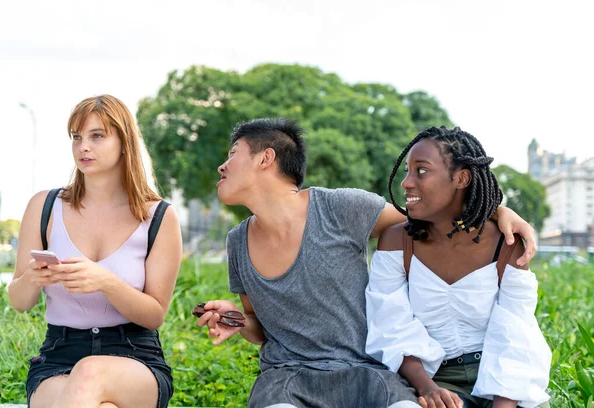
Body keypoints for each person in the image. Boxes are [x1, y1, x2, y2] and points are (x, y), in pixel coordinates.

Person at [196, 118, 537, 408]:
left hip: (367, 374)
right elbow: (259, 327)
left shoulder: (341, 208)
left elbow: (429, 212)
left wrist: (497, 210)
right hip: (288, 379)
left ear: (265, 158)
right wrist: (240, 321)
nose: (221, 166)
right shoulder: (237, 243)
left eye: (232, 154)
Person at [8, 95, 182, 408]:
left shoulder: (159, 217)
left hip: (135, 357)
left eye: (97, 136)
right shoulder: (44, 206)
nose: (83, 147)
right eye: (77, 137)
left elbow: (154, 315)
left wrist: (106, 281)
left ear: (124, 142)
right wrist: (32, 278)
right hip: (59, 358)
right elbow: (20, 302)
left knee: (89, 373)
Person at [365, 126, 551, 408]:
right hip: (432, 377)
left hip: (504, 381)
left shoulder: (507, 243)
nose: (406, 182)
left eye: (422, 171)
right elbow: (391, 326)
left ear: (461, 178)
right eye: (407, 171)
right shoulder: (396, 241)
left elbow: (516, 333)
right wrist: (428, 389)